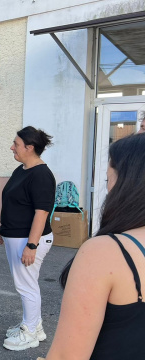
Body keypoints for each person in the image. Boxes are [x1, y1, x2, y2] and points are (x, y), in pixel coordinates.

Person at [46, 133, 145, 359]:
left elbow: (66, 355)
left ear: (127, 184)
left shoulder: (106, 252)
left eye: (108, 178)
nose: (108, 189)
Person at [0, 126, 56, 351]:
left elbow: (41, 213)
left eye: (16, 144)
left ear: (29, 148)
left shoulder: (41, 175)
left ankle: (29, 333)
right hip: (16, 237)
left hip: (29, 240)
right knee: (27, 284)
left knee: (26, 286)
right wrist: (4, 231)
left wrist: (31, 245)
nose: (12, 147)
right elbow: (15, 204)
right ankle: (34, 326)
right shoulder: (22, 169)